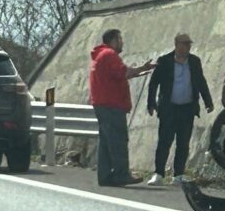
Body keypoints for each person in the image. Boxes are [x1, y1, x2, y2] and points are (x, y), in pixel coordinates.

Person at [89, 29, 156, 187]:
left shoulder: (101, 55)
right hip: (111, 105)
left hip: (102, 104)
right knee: (118, 140)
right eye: (120, 39)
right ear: (113, 40)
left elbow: (119, 74)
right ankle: (121, 174)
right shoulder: (110, 55)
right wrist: (141, 69)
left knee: (107, 142)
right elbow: (124, 72)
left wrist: (140, 70)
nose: (122, 42)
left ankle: (105, 176)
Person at [146, 32, 214, 186]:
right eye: (184, 43)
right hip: (169, 108)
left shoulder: (195, 62)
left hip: (187, 108)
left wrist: (207, 101)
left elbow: (201, 82)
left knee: (183, 142)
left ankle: (178, 175)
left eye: (189, 44)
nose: (187, 46)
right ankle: (158, 174)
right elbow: (153, 83)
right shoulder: (164, 61)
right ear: (176, 44)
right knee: (165, 141)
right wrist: (151, 103)